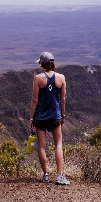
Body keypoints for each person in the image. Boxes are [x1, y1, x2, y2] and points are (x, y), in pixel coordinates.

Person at [29, 52, 70, 185]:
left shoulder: (37, 78)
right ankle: (59, 176)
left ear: (41, 64)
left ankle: (46, 175)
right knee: (58, 144)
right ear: (53, 63)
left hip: (40, 117)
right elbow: (63, 100)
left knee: (42, 146)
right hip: (55, 116)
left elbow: (34, 100)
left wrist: (31, 119)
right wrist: (63, 116)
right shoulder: (61, 78)